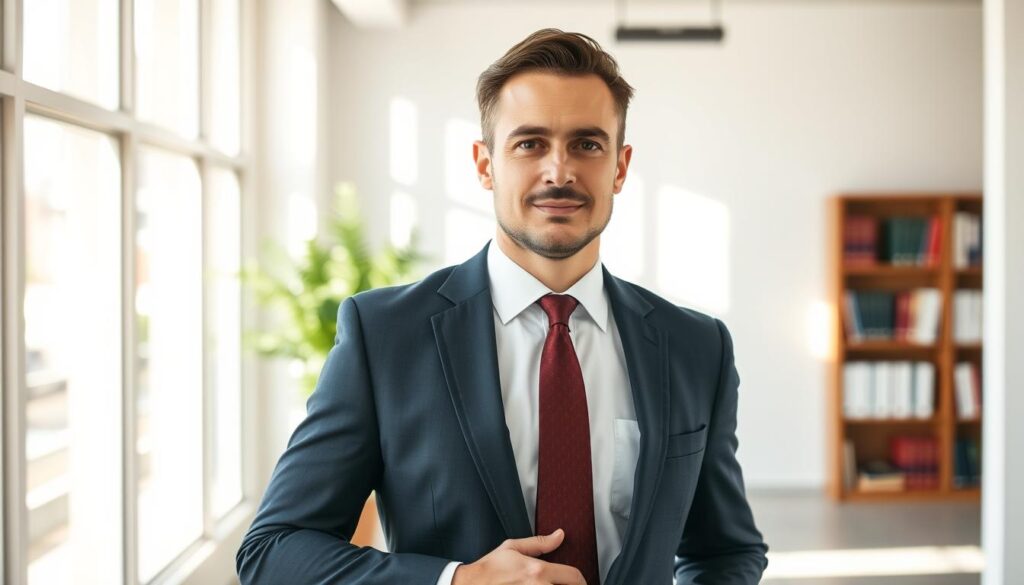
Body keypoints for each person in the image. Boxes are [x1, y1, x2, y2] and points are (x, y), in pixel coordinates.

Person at [236, 28, 767, 585]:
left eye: (587, 144)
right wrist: (457, 580)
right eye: (530, 143)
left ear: (620, 166)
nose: (559, 171)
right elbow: (273, 551)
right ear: (485, 164)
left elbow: (725, 552)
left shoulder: (696, 346)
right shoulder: (385, 336)